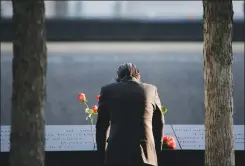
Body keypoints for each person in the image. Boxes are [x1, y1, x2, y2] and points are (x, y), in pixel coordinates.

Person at [96, 63, 164, 166]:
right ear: (138, 75)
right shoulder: (150, 90)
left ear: (118, 76)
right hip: (145, 156)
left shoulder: (108, 90)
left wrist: (102, 154)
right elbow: (159, 123)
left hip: (116, 154)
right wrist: (156, 151)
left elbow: (102, 125)